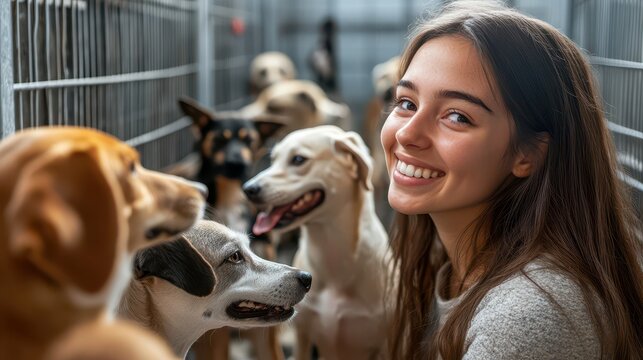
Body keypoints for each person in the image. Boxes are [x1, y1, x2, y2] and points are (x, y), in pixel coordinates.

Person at [380, 1, 643, 359]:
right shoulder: (450, 266)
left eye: (457, 116)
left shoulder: (528, 317)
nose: (408, 135)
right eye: (406, 103)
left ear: (528, 154)